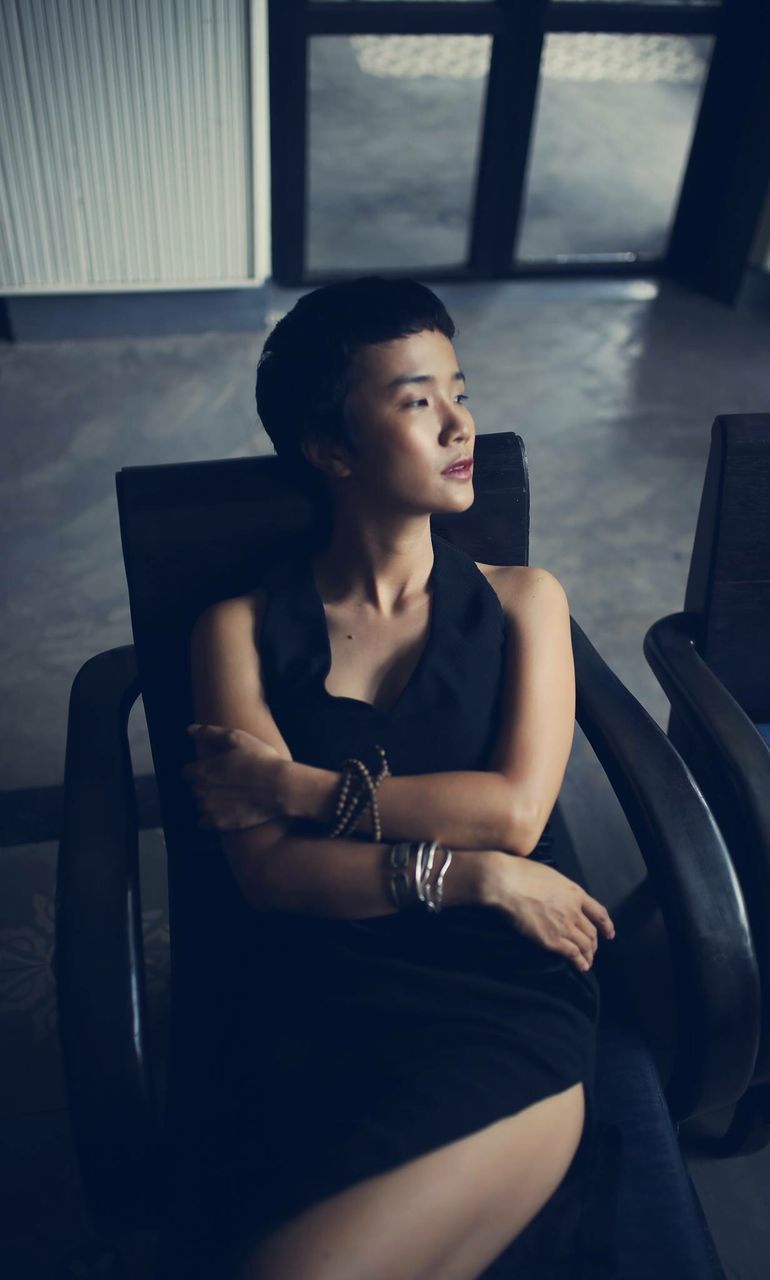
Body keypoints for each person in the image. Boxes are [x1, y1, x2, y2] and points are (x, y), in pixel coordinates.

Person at [184, 276, 616, 1280]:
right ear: (331, 449)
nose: (462, 423)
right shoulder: (237, 630)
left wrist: (296, 787)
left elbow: (511, 811)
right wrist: (471, 873)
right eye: (418, 401)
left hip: (502, 986)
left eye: (459, 390)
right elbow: (271, 877)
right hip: (324, 983)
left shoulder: (524, 601)